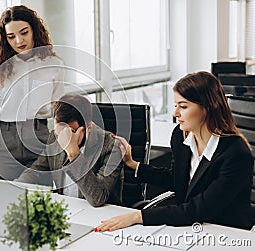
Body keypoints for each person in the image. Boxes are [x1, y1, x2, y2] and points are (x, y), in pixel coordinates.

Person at [96, 71, 253, 231]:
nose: (175, 113)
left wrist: (138, 216)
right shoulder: (181, 136)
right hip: (188, 227)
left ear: (207, 107)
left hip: (226, 232)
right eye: (176, 105)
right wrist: (134, 164)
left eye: (183, 106)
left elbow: (198, 209)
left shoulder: (236, 154)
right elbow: (176, 179)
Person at [0, 5, 64, 180]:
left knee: (41, 200)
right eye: (11, 36)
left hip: (40, 137)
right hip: (5, 143)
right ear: (5, 39)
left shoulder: (53, 64)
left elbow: (59, 109)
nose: (19, 40)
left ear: (34, 30)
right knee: (5, 200)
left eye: (24, 32)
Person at [15, 94, 123, 207]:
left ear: (88, 127)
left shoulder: (112, 147)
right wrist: (13, 188)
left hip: (101, 216)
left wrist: (74, 154)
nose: (63, 139)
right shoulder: (55, 137)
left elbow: (98, 198)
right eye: (59, 132)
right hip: (67, 210)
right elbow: (36, 172)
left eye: (70, 132)